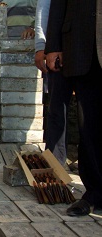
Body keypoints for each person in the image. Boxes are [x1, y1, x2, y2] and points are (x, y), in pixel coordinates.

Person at [45, 0, 102, 216]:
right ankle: (94, 193)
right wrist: (52, 47)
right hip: (81, 47)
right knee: (89, 126)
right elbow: (57, 5)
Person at [34, 0, 74, 166]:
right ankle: (55, 164)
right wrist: (42, 45)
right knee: (57, 109)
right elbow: (44, 8)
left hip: (90, 51)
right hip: (59, 48)